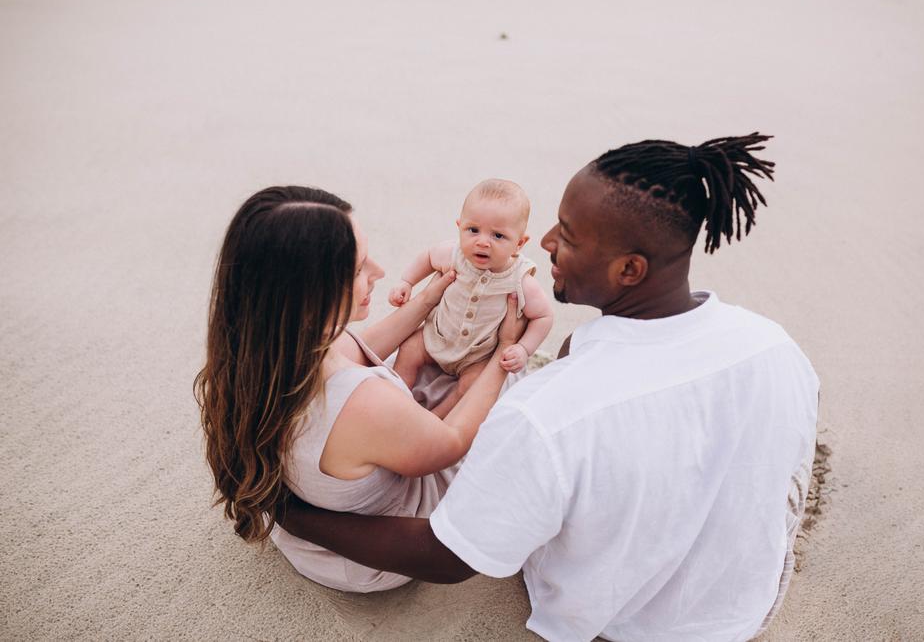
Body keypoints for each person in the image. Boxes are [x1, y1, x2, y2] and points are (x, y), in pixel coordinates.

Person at [276, 135, 820, 641]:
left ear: (630, 269)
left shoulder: (548, 413)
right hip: (745, 603)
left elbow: (448, 556)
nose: (548, 243)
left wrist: (293, 514)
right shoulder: (776, 346)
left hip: (629, 624)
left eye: (569, 235)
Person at [194, 186, 525, 593]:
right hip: (382, 543)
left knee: (435, 360)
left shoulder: (266, 349)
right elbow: (452, 442)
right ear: (310, 295)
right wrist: (504, 351)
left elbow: (361, 345)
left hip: (336, 486)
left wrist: (425, 302)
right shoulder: (359, 401)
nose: (380, 271)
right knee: (511, 387)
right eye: (357, 268)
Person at [389, 178, 554, 417]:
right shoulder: (453, 254)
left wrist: (523, 349)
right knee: (408, 349)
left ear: (519, 243)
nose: (483, 241)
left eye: (498, 236)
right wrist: (407, 282)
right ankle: (395, 400)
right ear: (460, 227)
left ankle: (434, 419)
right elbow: (427, 257)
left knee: (471, 387)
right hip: (436, 337)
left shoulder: (520, 279)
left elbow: (544, 316)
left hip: (477, 356)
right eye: (473, 230)